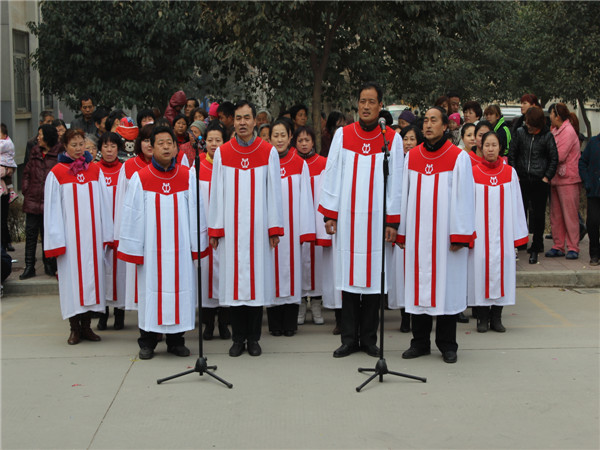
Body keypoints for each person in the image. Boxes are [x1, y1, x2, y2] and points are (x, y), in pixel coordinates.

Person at [318, 81, 403, 358]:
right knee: (349, 281)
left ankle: (368, 339)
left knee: (375, 282)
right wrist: (330, 214)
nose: (366, 106)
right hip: (348, 221)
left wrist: (392, 221)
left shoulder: (391, 139)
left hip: (377, 223)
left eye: (371, 102)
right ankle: (348, 338)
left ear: (380, 106)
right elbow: (331, 174)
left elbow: (396, 183)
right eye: (362, 101)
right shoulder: (343, 135)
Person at [118, 125, 205, 360]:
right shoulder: (141, 178)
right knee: (151, 293)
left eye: (170, 143)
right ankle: (147, 342)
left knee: (180, 292)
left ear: (176, 147)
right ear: (151, 147)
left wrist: (197, 244)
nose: (166, 147)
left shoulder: (188, 176)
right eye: (161, 143)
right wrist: (134, 249)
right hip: (151, 251)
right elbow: (132, 214)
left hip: (180, 249)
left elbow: (197, 211)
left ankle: (177, 341)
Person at [398, 106, 476, 364]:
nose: (428, 125)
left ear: (445, 126)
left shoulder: (457, 157)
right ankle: (419, 342)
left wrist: (460, 235)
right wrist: (402, 231)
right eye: (426, 121)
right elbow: (404, 195)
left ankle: (447, 344)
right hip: (418, 236)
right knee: (419, 287)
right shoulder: (412, 157)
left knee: (447, 288)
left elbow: (465, 198)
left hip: (445, 238)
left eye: (434, 120)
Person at [208, 100, 284, 357]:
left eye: (247, 118)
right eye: (238, 118)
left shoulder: (267, 151)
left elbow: (274, 192)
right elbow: (216, 193)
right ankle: (237, 338)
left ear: (255, 121)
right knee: (234, 286)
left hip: (258, 231)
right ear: (233, 121)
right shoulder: (223, 153)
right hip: (231, 231)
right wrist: (215, 229)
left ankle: (253, 338)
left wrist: (274, 229)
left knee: (255, 285)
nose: (242, 122)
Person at [44, 128, 112, 345]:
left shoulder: (95, 170)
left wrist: (107, 234)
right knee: (72, 283)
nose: (78, 148)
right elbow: (52, 210)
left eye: (81, 144)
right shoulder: (57, 173)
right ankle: (74, 328)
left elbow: (104, 204)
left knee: (92, 281)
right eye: (73, 145)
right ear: (65, 146)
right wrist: (56, 240)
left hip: (92, 238)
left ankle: (87, 327)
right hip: (70, 241)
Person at [468, 132, 528, 333]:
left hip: (503, 234)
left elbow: (517, 204)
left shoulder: (509, 173)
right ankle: (482, 318)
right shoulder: (473, 173)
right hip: (481, 235)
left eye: (494, 145)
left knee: (503, 271)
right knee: (480, 271)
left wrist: (518, 235)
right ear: (481, 147)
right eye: (487, 145)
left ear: (500, 147)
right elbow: (468, 205)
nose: (490, 149)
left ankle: (497, 317)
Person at [267, 120, 315, 336]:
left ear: (289, 138)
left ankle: (290, 324)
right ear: (270, 139)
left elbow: (305, 198)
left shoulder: (298, 163)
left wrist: (306, 230)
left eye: (283, 135)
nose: (279, 140)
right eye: (275, 135)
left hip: (293, 231)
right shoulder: (265, 162)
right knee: (272, 274)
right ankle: (274, 325)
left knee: (291, 274)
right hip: (270, 230)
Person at [508, 106, 558, 264]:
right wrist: (515, 174)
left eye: (531, 124)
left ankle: (537, 243)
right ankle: (521, 241)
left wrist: (546, 177)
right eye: (527, 123)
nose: (528, 126)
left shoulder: (547, 136)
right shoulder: (520, 133)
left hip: (539, 180)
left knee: (538, 214)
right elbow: (512, 153)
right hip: (521, 179)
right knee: (520, 212)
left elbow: (553, 158)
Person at [113, 124, 154, 314]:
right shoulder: (129, 167)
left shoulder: (169, 167)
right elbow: (122, 202)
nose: (150, 144)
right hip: (137, 230)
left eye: (153, 140)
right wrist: (120, 235)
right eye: (145, 140)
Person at [198, 121, 231, 340]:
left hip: (226, 229)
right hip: (204, 229)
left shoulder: (229, 165)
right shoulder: (197, 167)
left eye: (218, 140)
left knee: (225, 275)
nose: (213, 144)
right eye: (210, 140)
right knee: (205, 276)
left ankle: (224, 323)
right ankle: (208, 324)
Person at [19, 124, 60, 279]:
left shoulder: (59, 153)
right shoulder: (35, 151)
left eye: (41, 134)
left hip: (49, 201)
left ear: (48, 136)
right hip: (32, 198)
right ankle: (29, 266)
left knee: (47, 234)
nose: (38, 138)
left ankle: (49, 264)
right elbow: (27, 172)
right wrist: (26, 189)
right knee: (30, 234)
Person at [96, 133, 125, 330]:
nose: (109, 150)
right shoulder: (94, 170)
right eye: (105, 146)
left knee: (120, 274)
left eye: (113, 146)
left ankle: (120, 314)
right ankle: (102, 314)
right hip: (101, 230)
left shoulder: (124, 170)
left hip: (119, 229)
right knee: (102, 273)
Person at [546, 103, 582, 259]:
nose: (550, 117)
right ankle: (558, 245)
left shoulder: (568, 131)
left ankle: (573, 247)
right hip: (556, 178)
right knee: (556, 215)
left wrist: (545, 155)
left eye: (551, 114)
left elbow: (559, 155)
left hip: (568, 179)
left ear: (557, 116)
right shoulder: (555, 130)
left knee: (570, 215)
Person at [579, 133, 600, 265]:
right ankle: (594, 253)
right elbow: (582, 162)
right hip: (594, 191)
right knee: (592, 222)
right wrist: (587, 181)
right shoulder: (593, 142)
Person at [0, 123, 18, 202]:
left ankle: (2, 189)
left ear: (5, 136)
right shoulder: (7, 142)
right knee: (8, 179)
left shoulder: (5, 143)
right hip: (8, 165)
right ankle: (11, 191)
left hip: (5, 164)